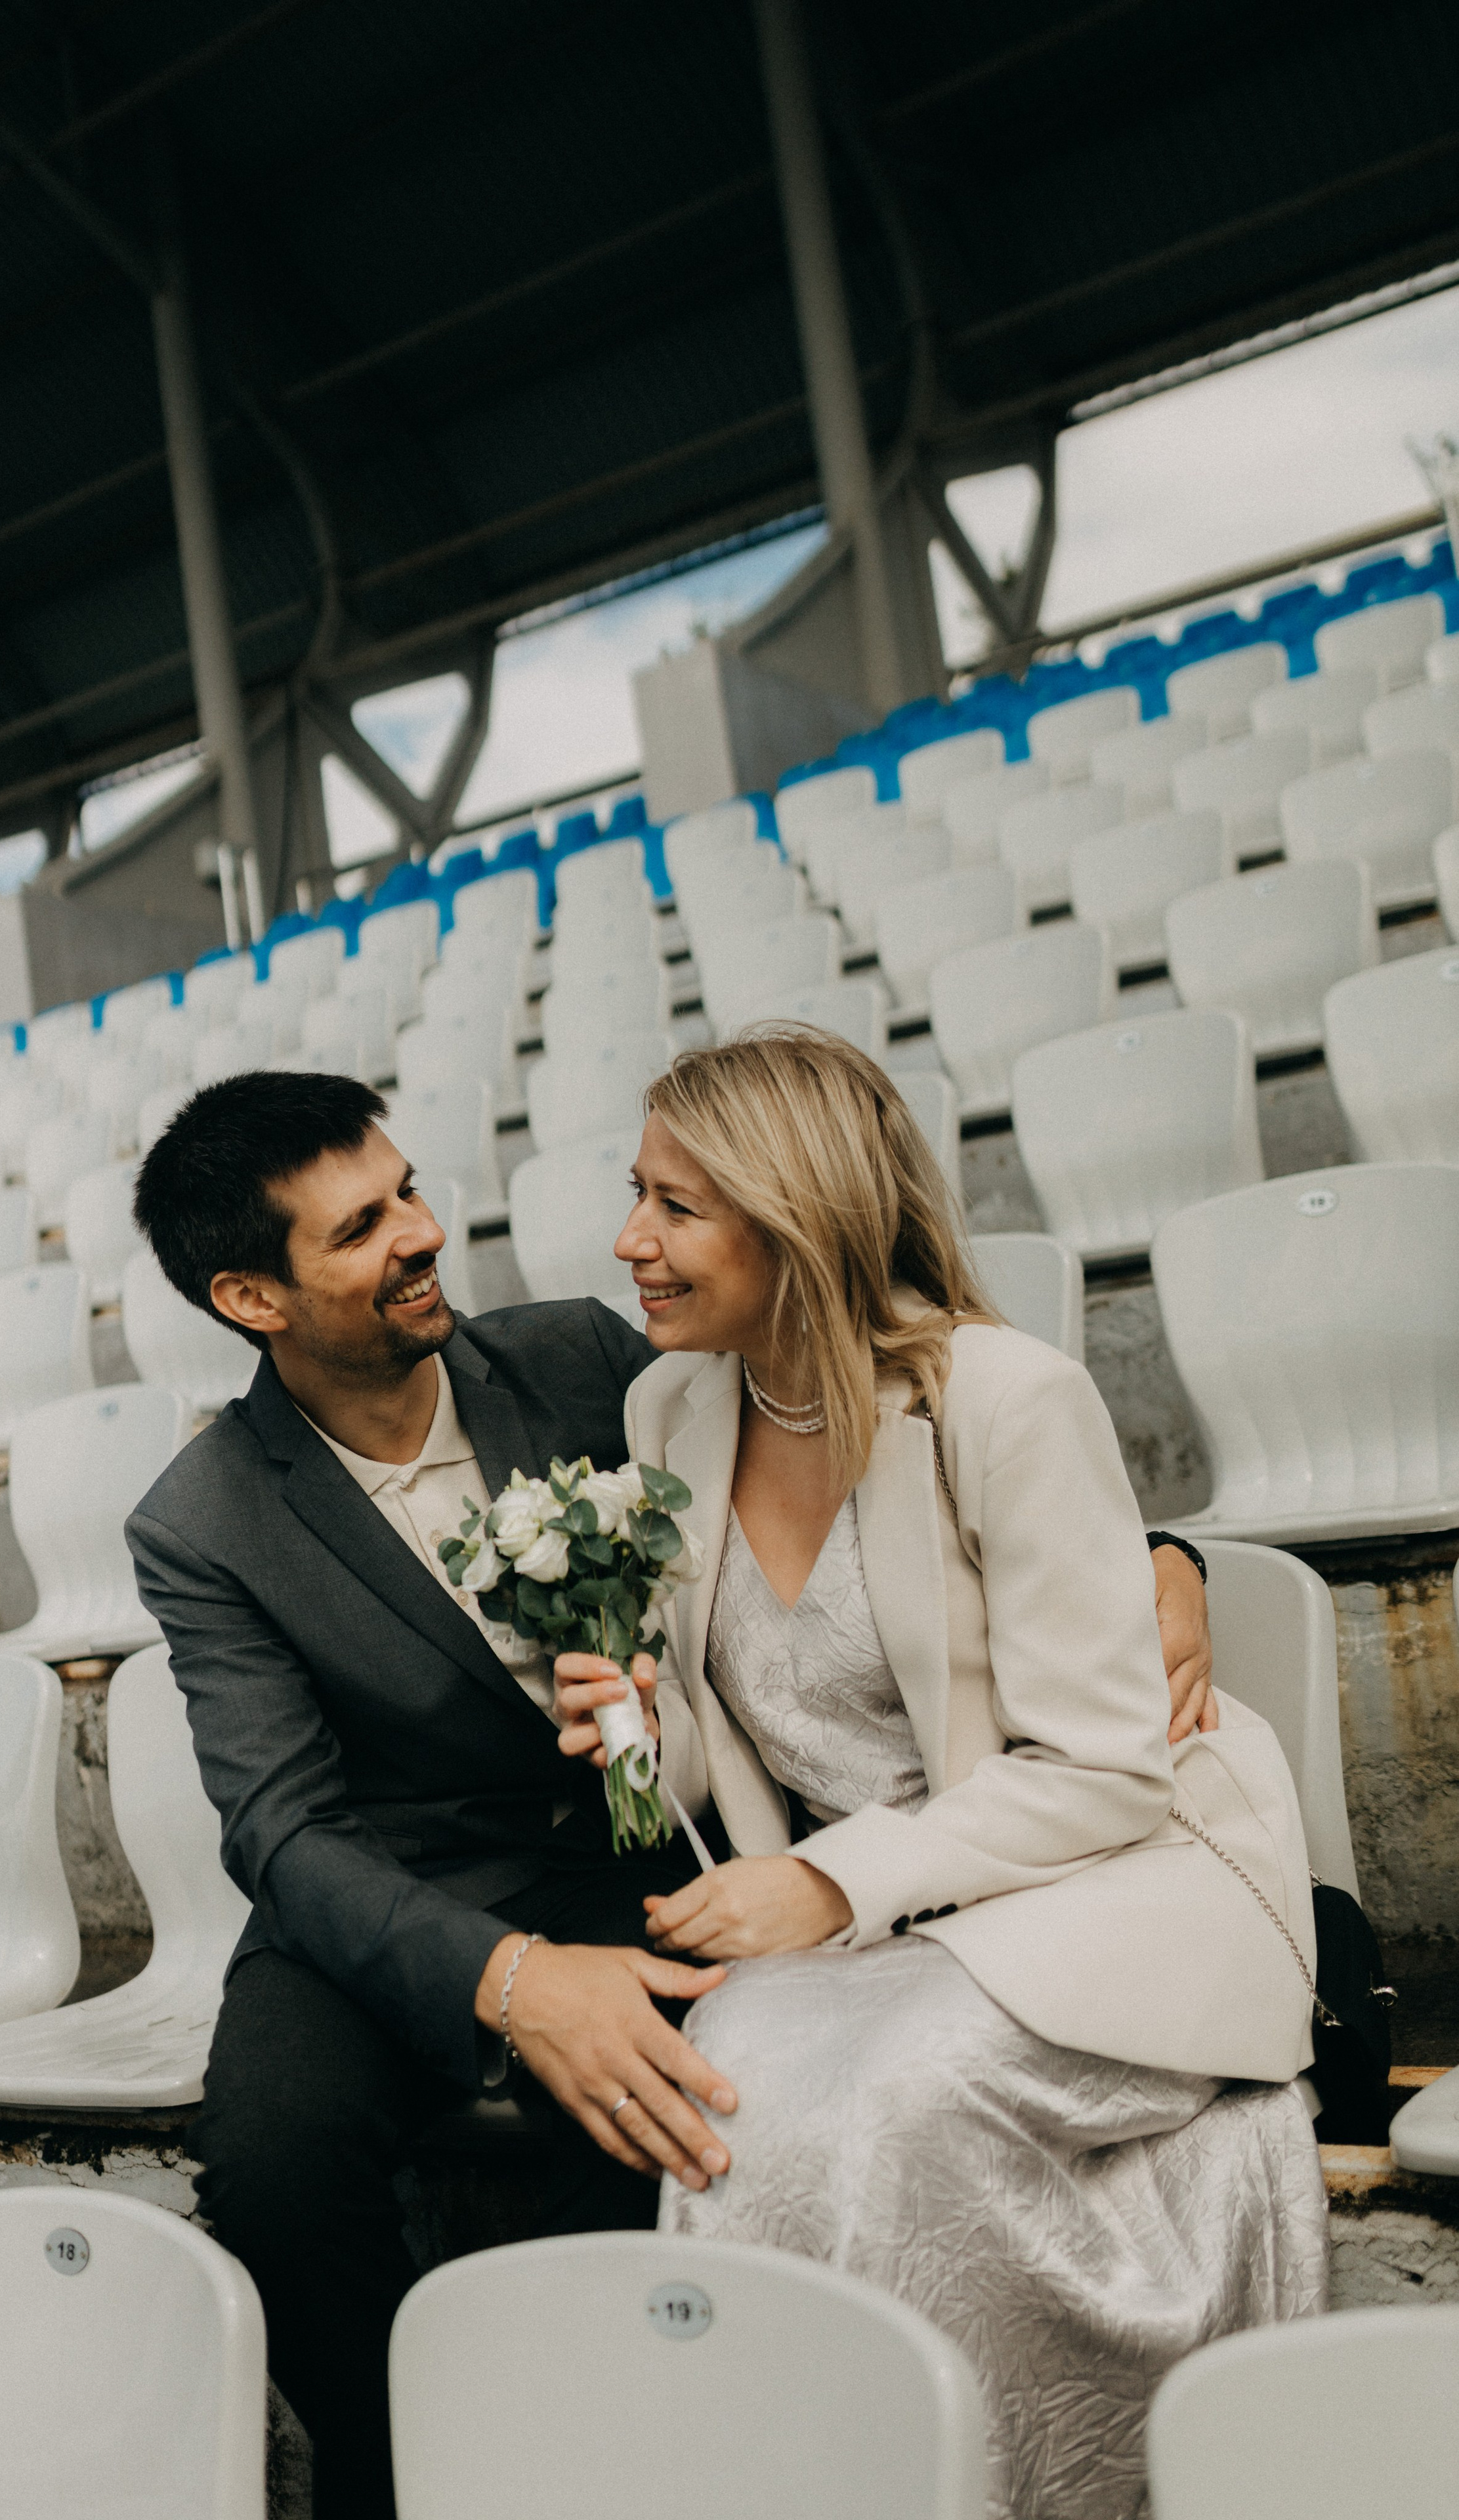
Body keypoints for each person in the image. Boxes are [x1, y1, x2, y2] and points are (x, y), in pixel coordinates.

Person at [127, 1066, 1219, 2518]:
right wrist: (512, 1983)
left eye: (405, 1189)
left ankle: (610, 2463)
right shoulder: (200, 1521)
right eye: (360, 1228)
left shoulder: (589, 1361)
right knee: (270, 2164)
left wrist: (1163, 1556)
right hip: (396, 1895)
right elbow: (283, 1832)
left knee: (673, 2109)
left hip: (642, 1842)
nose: (423, 1232)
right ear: (251, 1299)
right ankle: (407, 2485)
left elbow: (875, 1436)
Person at [551, 1029, 1328, 2520]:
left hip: (1113, 1877)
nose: (627, 1240)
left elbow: (1105, 1775)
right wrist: (636, 1724)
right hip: (892, 1918)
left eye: (674, 1206)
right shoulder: (672, 1413)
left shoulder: (1002, 1399)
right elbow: (742, 1728)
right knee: (737, 2081)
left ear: (796, 1222)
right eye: (634, 1193)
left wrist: (833, 1883)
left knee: (901, 2092)